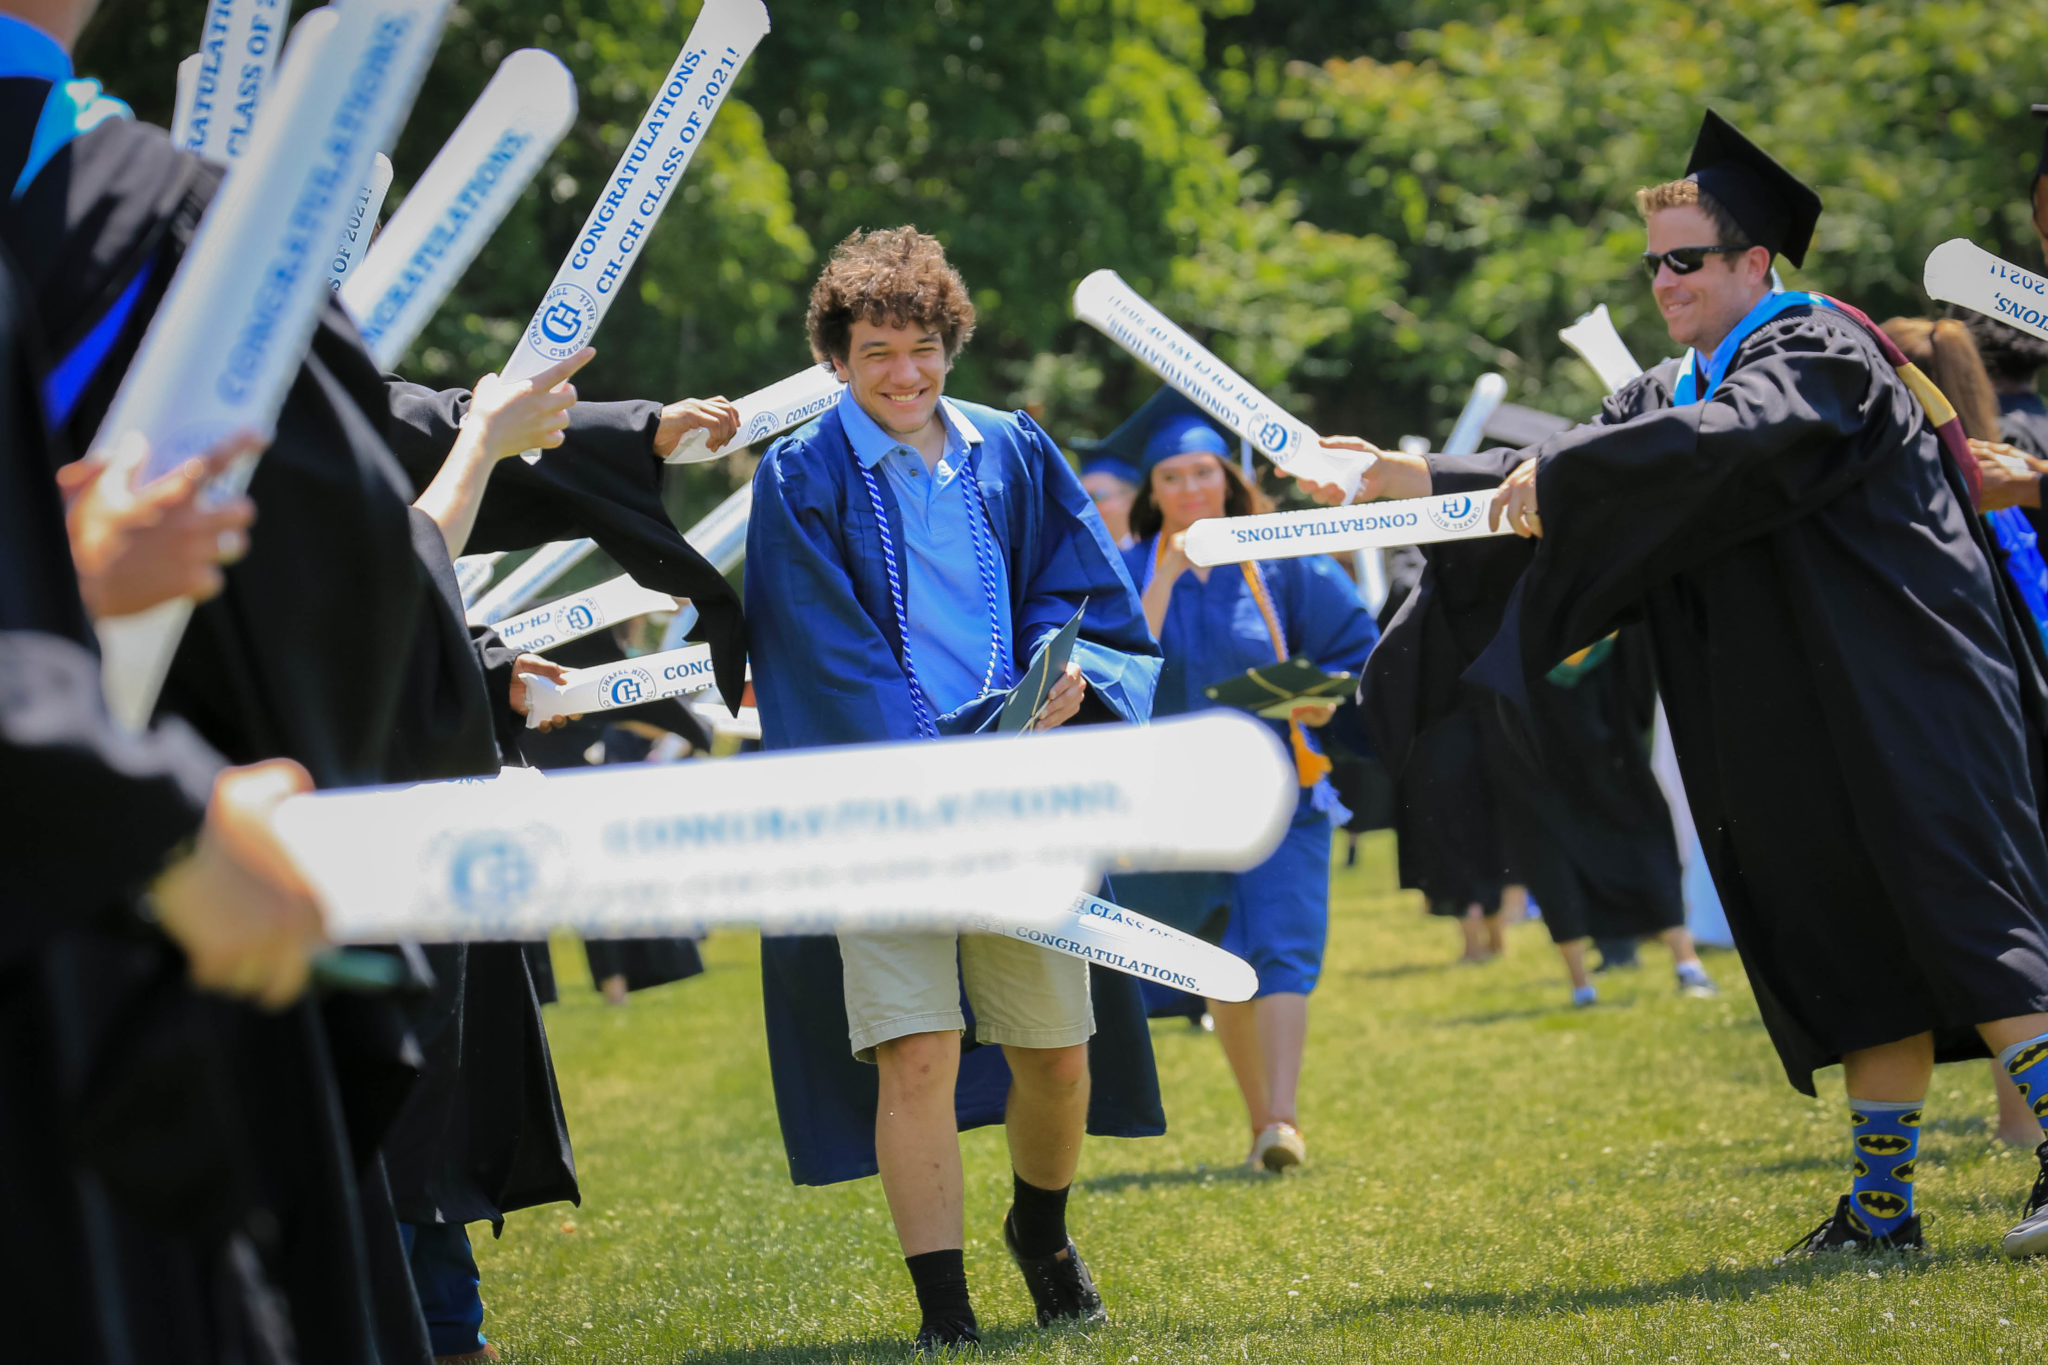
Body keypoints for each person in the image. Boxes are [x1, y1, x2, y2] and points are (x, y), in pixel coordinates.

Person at [1312, 109, 2048, 1258]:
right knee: (1849, 938)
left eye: (1685, 260)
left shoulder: (1818, 349)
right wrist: (1402, 476)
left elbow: (1722, 439)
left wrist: (1563, 471)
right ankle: (1880, 1210)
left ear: (1754, 261)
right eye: (1651, 264)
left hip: (1906, 694)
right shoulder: (1673, 387)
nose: (1661, 283)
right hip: (1794, 713)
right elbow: (1559, 465)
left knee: (1963, 912)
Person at [746, 227, 1164, 1349]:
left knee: (1056, 1053)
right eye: (876, 352)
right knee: (917, 1047)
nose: (904, 374)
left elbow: (1079, 590)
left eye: (923, 347)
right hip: (885, 807)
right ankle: (946, 1311)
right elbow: (820, 651)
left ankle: (1042, 1232)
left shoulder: (1012, 449)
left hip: (1020, 799)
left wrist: (1068, 671)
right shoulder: (800, 473)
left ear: (951, 343)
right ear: (835, 358)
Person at [1121, 402, 1378, 1170]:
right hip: (1177, 802)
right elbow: (1120, 665)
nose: (1190, 487)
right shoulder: (1127, 567)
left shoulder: (1280, 558)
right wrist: (1166, 575)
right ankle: (1260, 1118)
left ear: (1228, 479)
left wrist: (1315, 694)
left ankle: (1283, 1119)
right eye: (1172, 476)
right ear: (1153, 490)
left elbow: (1355, 649)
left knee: (1284, 943)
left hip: (1280, 784)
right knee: (1220, 952)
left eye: (1203, 472)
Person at [1079, 451, 1140, 548]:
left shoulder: (1156, 551)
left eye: (1097, 497)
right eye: (1081, 500)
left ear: (1132, 498)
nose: (1086, 509)